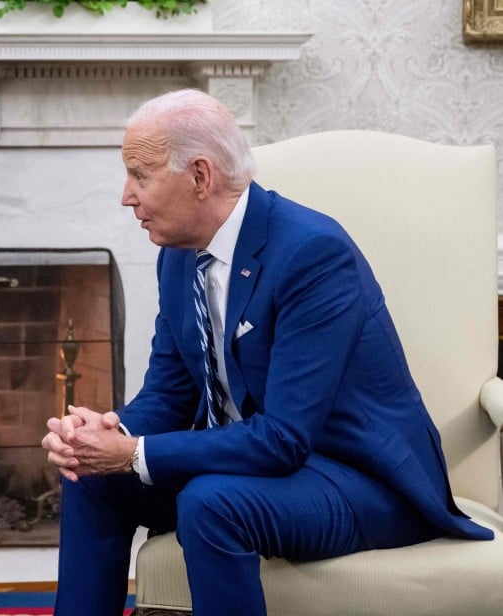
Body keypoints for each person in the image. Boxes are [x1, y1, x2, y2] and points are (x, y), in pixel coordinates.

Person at [41, 89, 493, 616]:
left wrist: (134, 453)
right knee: (91, 478)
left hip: (356, 477)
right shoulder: (179, 256)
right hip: (255, 468)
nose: (126, 196)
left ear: (200, 176)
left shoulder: (313, 254)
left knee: (211, 503)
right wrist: (104, 436)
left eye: (140, 176)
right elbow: (168, 396)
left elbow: (284, 439)